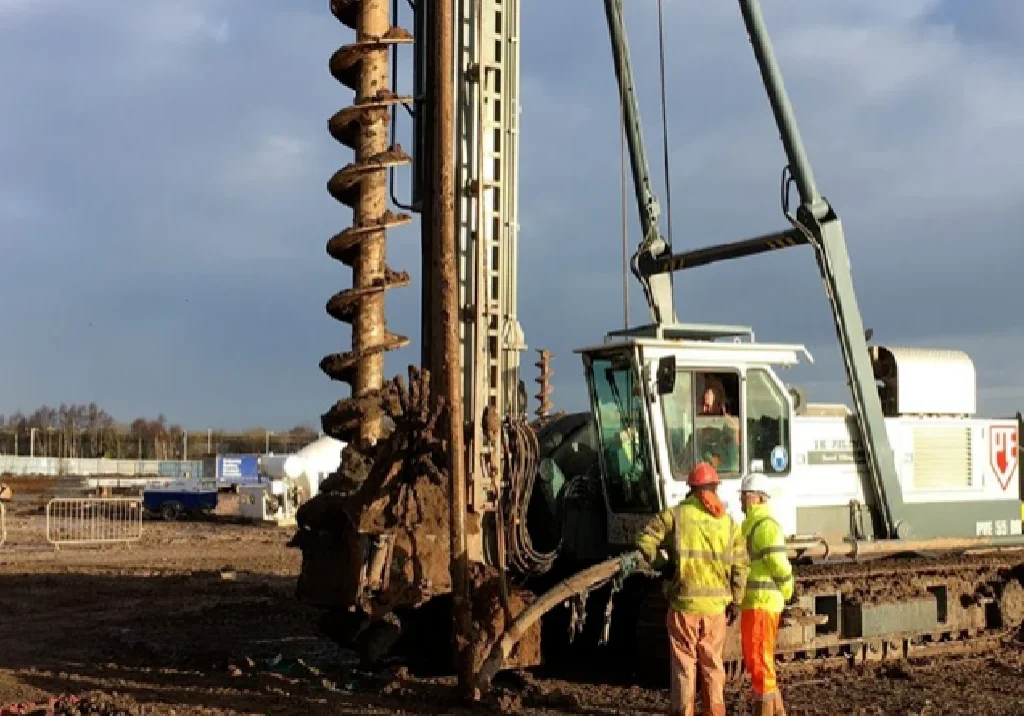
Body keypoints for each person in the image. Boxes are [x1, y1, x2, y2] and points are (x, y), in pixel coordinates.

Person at [636, 462, 748, 716]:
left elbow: (644, 539)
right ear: (714, 488)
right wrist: (737, 601)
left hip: (683, 606)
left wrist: (662, 565)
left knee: (684, 666)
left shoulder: (676, 515)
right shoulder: (729, 523)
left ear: (691, 489)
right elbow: (741, 566)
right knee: (712, 666)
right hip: (716, 610)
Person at [739, 472, 794, 716]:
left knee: (760, 665)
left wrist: (787, 590)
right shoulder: (752, 524)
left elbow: (779, 565)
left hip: (762, 605)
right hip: (754, 605)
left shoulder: (765, 525)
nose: (742, 500)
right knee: (761, 663)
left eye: (745, 496)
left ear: (759, 498)